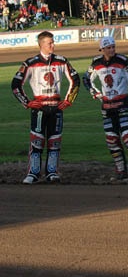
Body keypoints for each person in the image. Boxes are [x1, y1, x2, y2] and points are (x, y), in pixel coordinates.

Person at [11, 31, 80, 184]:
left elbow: (75, 80)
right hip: (39, 109)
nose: (53, 45)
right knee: (37, 142)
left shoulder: (62, 61)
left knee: (54, 142)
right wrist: (27, 102)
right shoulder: (30, 63)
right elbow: (15, 85)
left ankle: (52, 172)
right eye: (50, 43)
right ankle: (33, 173)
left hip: (56, 108)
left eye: (53, 42)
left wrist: (68, 100)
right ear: (41, 44)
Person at [83, 36, 128, 182]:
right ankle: (120, 169)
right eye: (108, 48)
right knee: (111, 139)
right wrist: (95, 93)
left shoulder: (124, 61)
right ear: (102, 49)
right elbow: (86, 79)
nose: (112, 50)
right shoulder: (96, 63)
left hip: (122, 105)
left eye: (113, 47)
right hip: (106, 107)